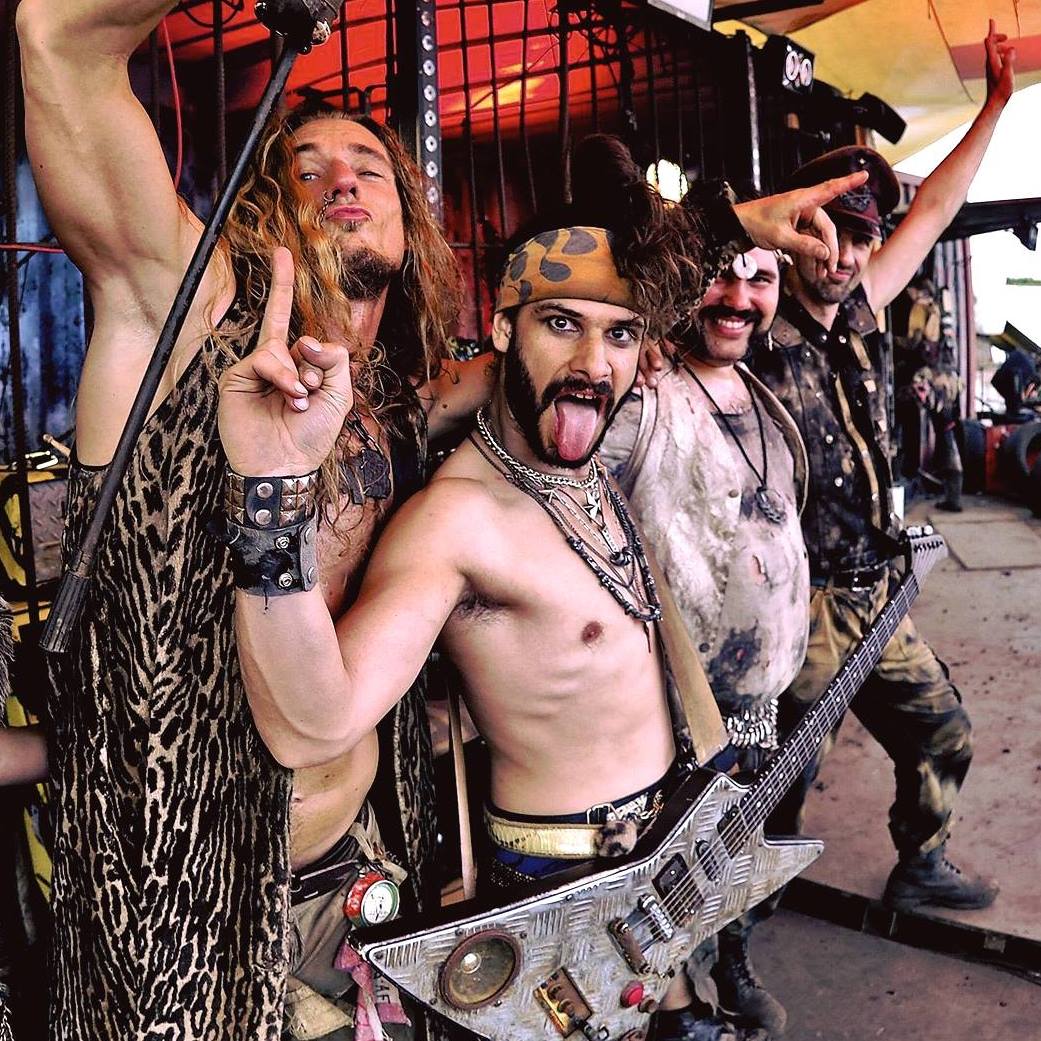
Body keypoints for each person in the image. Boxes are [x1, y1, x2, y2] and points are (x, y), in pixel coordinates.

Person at [222, 153, 871, 1041]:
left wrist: (728, 229)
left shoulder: (586, 467)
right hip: (558, 910)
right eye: (560, 324)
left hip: (663, 877)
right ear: (501, 328)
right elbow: (311, 722)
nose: (591, 362)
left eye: (618, 335)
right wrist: (268, 496)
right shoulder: (458, 519)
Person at [16, 2, 494, 1037]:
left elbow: (579, 337)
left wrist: (734, 234)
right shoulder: (184, 321)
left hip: (353, 880)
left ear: (409, 216)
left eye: (367, 165)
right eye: (304, 169)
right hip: (181, 906)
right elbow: (59, 37)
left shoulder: (394, 396)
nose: (341, 181)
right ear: (263, 208)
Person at [748, 21, 1014, 916]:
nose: (843, 257)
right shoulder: (749, 330)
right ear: (794, 230)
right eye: (826, 234)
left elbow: (932, 210)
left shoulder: (861, 311)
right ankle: (735, 936)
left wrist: (995, 106)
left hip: (878, 591)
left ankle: (921, 860)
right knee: (775, 787)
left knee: (942, 730)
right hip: (800, 606)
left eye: (860, 239)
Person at [601, 221, 807, 1040]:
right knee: (665, 871)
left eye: (759, 281)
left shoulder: (764, 397)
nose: (739, 298)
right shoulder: (643, 395)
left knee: (736, 851)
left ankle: (731, 962)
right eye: (720, 275)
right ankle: (672, 1006)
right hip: (672, 705)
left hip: (761, 695)